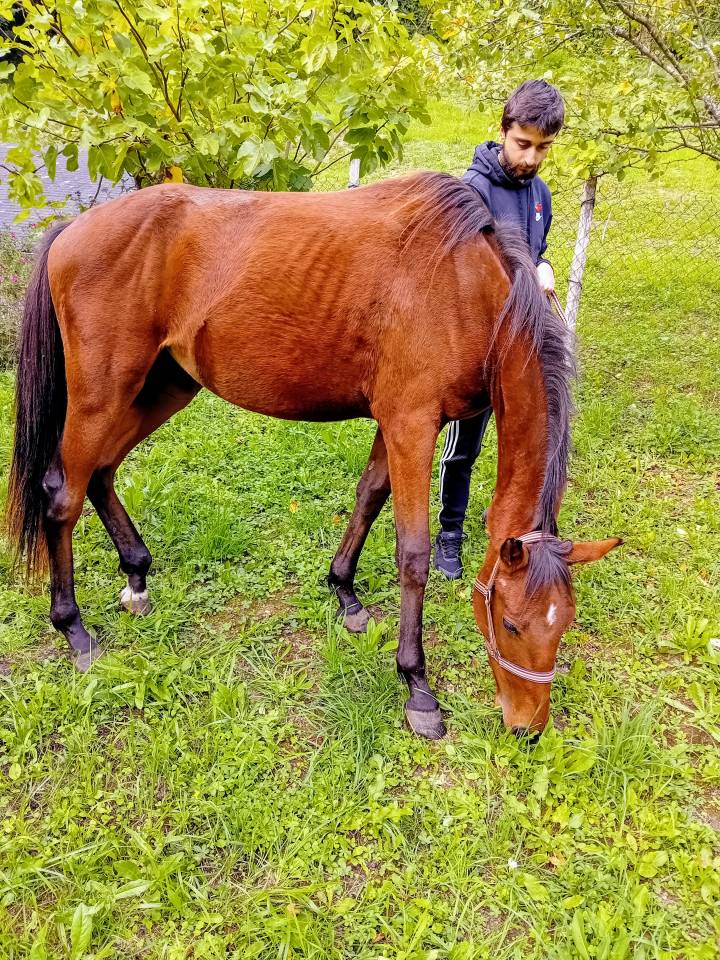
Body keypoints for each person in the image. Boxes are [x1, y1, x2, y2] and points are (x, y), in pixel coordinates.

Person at [434, 79, 565, 580]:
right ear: (502, 131)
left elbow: (534, 252)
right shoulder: (471, 191)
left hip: (521, 343)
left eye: (543, 148)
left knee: (521, 437)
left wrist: (543, 267)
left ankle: (511, 519)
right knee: (463, 445)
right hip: (477, 343)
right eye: (523, 144)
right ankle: (450, 533)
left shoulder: (541, 196)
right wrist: (522, 276)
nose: (531, 158)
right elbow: (460, 278)